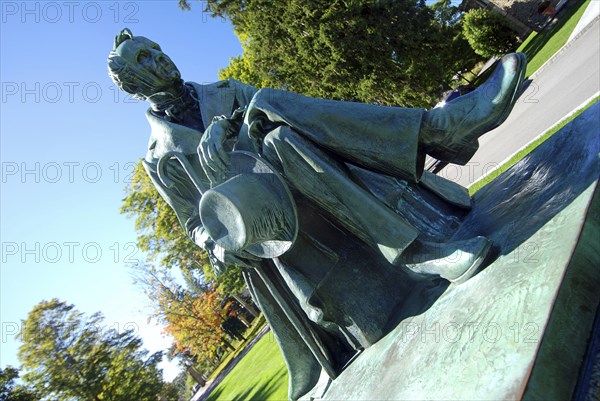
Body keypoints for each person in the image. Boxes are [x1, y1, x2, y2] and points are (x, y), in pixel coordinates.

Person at [108, 28, 526, 399]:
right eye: (144, 59)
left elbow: (279, 113)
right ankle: (438, 130)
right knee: (273, 122)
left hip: (304, 168)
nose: (160, 58)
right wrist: (219, 244)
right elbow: (193, 225)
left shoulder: (225, 90)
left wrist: (230, 121)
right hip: (272, 227)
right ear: (132, 84)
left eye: (157, 48)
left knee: (273, 119)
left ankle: (424, 220)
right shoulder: (158, 160)